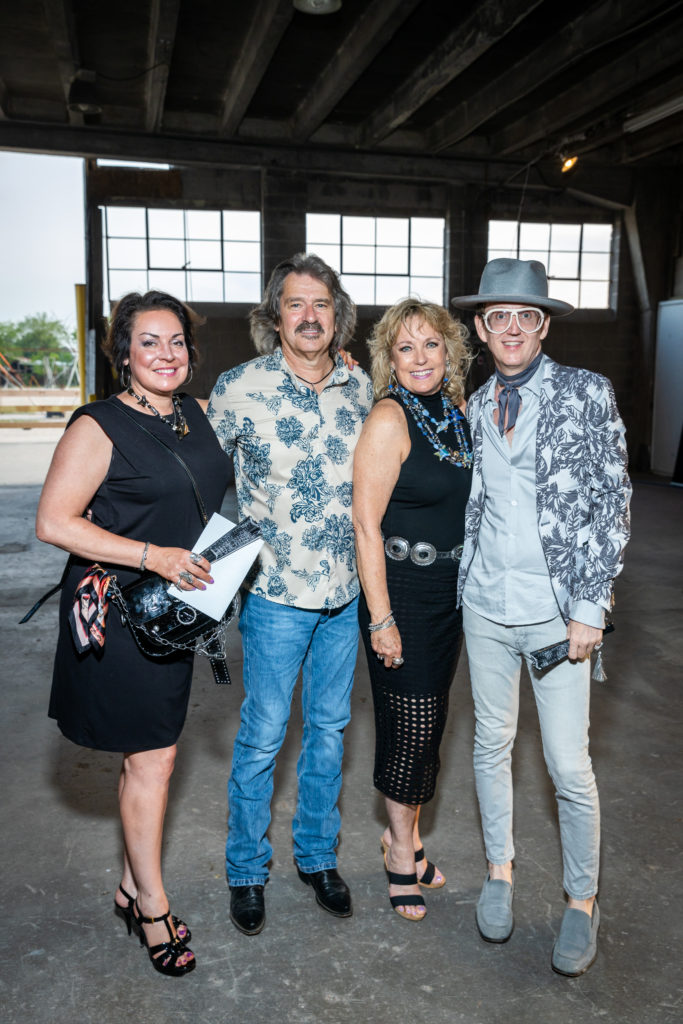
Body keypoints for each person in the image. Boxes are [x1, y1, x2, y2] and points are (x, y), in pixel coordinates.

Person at [37, 291, 233, 976]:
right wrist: (154, 556)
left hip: (174, 610)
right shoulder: (98, 425)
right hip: (119, 609)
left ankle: (129, 882)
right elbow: (55, 522)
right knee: (153, 759)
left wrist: (345, 366)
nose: (165, 354)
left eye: (176, 341)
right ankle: (150, 903)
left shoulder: (196, 416)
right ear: (122, 352)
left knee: (154, 756)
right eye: (148, 342)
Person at [451, 258, 631, 975]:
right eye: (498, 316)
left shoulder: (587, 392)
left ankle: (581, 900)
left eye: (526, 316)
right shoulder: (474, 402)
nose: (513, 328)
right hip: (486, 606)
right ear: (480, 328)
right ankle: (499, 871)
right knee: (490, 745)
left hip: (559, 615)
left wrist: (591, 606)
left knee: (566, 764)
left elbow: (610, 502)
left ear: (543, 325)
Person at [208, 253, 373, 935]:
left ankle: (315, 857)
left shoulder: (363, 389)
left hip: (346, 595)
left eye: (322, 304)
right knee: (263, 737)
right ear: (274, 315)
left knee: (330, 733)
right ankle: (247, 869)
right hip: (274, 594)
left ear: (338, 316)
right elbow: (188, 471)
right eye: (295, 304)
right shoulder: (237, 388)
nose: (309, 316)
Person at [352, 299, 473, 921]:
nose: (420, 357)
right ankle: (400, 853)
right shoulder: (389, 418)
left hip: (450, 597)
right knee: (411, 730)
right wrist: (381, 618)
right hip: (402, 592)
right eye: (406, 347)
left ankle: (410, 836)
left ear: (449, 351)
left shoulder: (454, 415)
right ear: (389, 359)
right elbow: (365, 526)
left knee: (431, 726)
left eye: (431, 344)